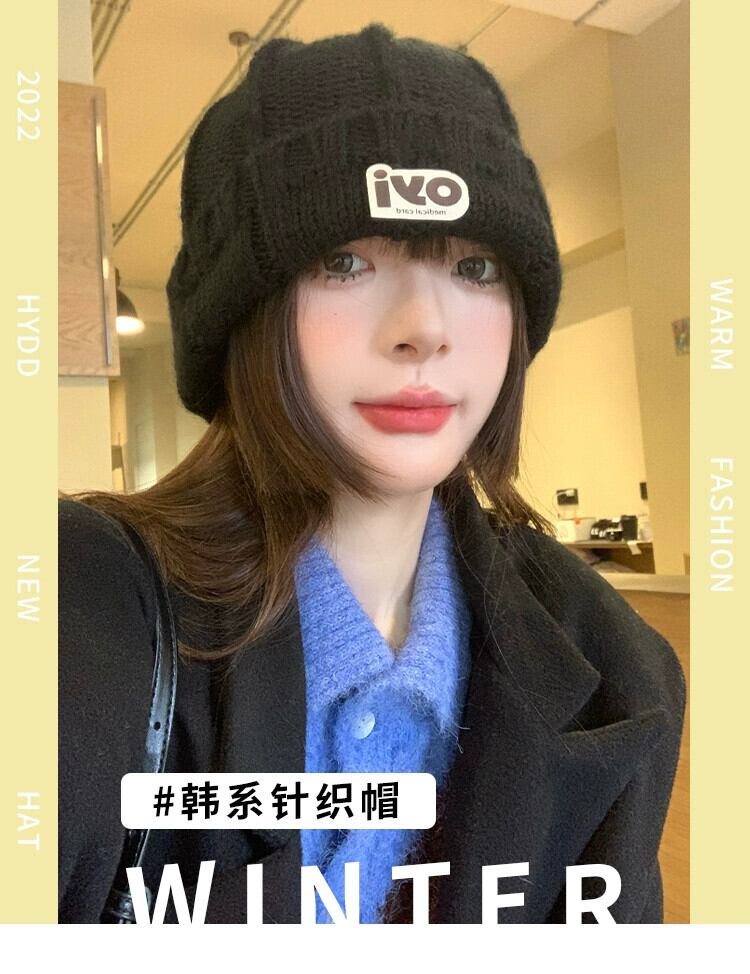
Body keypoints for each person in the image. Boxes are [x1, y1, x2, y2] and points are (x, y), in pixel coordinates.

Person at [58, 23, 686, 924]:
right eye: (345, 260)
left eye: (474, 265)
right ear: (242, 314)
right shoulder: (81, 613)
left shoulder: (615, 666)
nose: (424, 327)